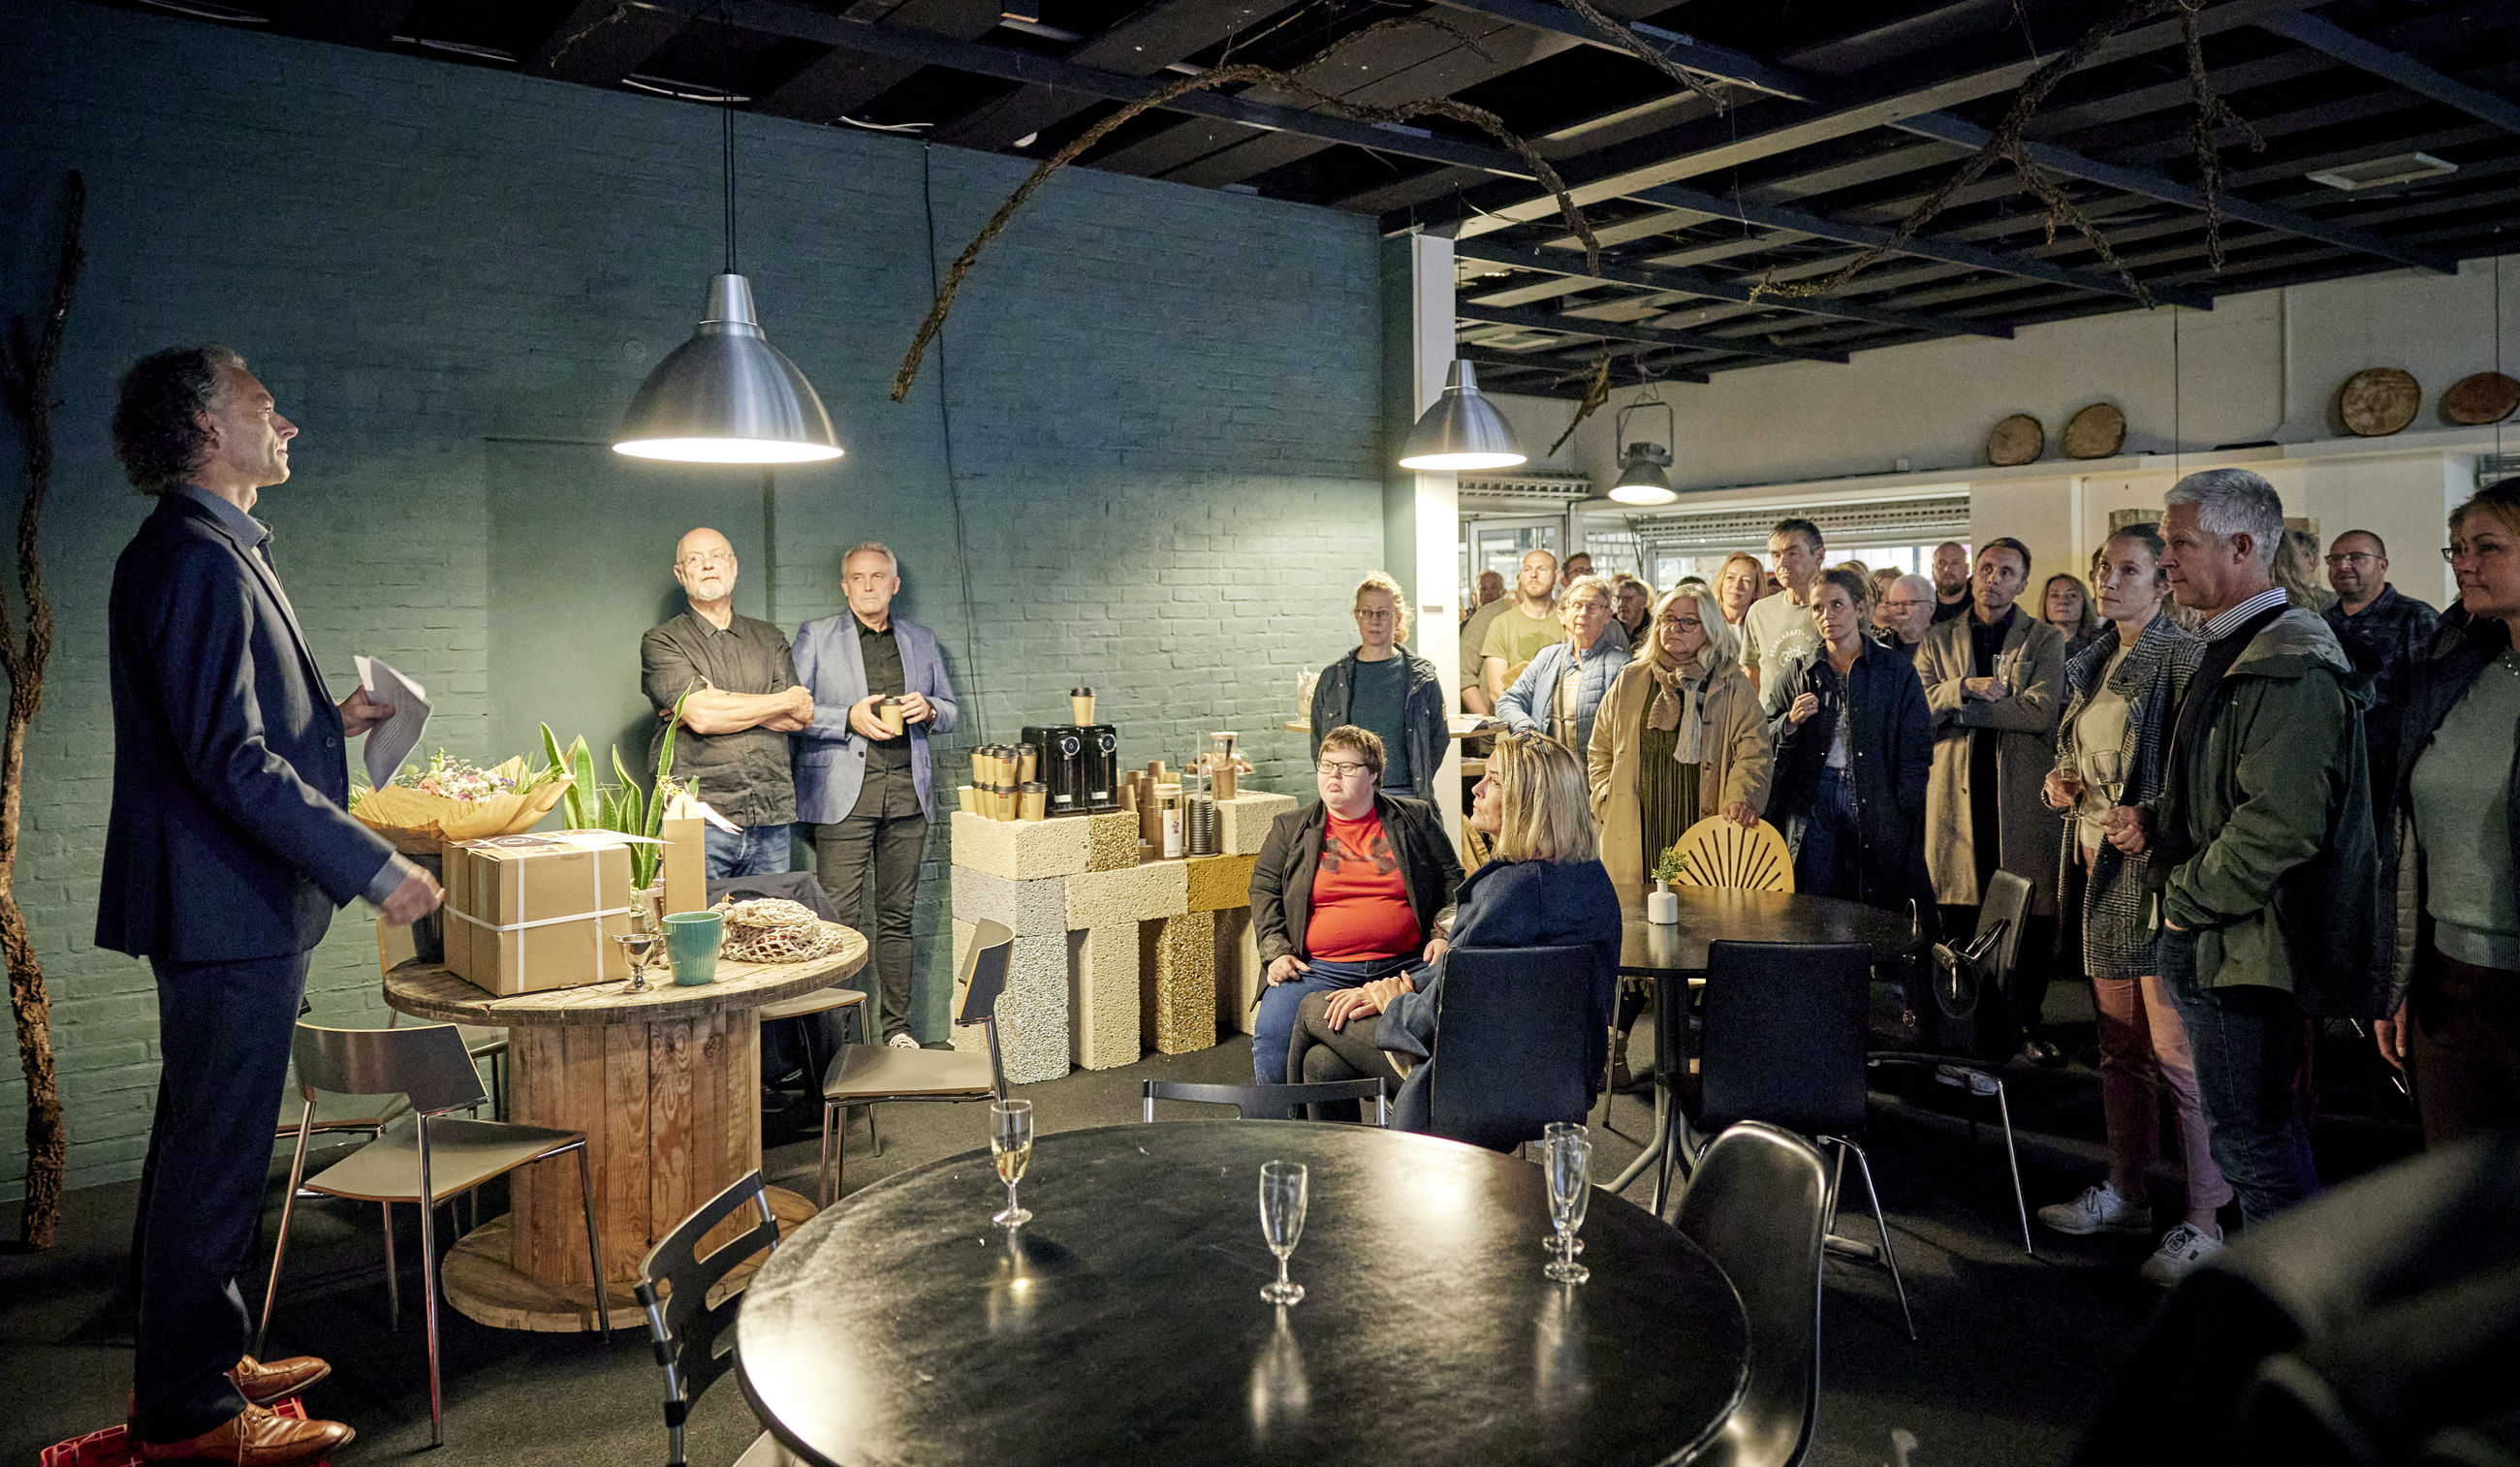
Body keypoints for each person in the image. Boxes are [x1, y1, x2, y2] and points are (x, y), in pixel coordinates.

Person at [102, 346, 445, 1464]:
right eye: (264, 404)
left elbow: (224, 732)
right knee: (213, 1154)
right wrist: (374, 865)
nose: (286, 421)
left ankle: (198, 1359)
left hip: (225, 903)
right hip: (226, 907)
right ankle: (192, 1415)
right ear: (207, 427)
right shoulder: (196, 558)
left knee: (202, 1144)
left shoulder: (209, 548)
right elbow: (229, 760)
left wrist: (328, 723)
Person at [2110, 468, 2379, 1228]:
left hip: (2241, 942)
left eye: (2179, 543)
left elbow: (2279, 826)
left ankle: (2288, 1292)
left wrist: (2183, 902)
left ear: (2241, 546)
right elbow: (2224, 786)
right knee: (2250, 1138)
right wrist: (2160, 819)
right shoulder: (2235, 643)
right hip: (2222, 933)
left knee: (2256, 1145)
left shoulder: (2287, 659)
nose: (2166, 559)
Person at [2034, 524, 2231, 1285]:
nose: (2109, 582)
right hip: (2099, 868)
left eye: (2128, 570)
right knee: (2119, 1048)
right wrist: (2061, 783)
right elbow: (2080, 752)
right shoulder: (2098, 657)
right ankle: (2128, 1191)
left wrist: (2154, 816)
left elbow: (2201, 771)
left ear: (2162, 580)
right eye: (2103, 569)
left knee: (2179, 1056)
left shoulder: (2181, 656)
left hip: (2153, 876)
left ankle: (2207, 1217)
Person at [1287, 733, 1622, 1133]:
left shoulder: (1508, 891)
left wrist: (1393, 1003)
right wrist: (1402, 985)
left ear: (1529, 801)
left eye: (1494, 781)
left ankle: (1287, 1147)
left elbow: (1446, 1013)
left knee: (1313, 1009)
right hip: (1559, 1074)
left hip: (1471, 1076)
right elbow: (1471, 975)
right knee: (1322, 1065)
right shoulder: (1590, 877)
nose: (1476, 789)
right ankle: (1337, 1166)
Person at [2375, 480, 2520, 1144]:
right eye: (2457, 548)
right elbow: (2412, 837)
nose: (2464, 563)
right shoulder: (2459, 667)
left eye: (2487, 547)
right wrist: (2401, 977)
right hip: (2449, 982)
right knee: (2458, 1190)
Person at [792, 543, 959, 1047]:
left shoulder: (921, 640)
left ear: (894, 585)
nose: (868, 586)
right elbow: (794, 712)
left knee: (897, 920)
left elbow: (952, 710)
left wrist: (930, 709)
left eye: (878, 577)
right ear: (845, 586)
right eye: (858, 578)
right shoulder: (817, 635)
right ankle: (835, 1041)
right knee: (836, 923)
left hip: (909, 797)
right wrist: (848, 717)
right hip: (844, 799)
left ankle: (897, 1031)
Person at [1921, 538, 2068, 1063]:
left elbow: (2039, 712)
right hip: (1954, 796)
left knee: (2024, 918)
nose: (1993, 579)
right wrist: (1963, 685)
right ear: (1972, 574)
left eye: (2007, 572)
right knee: (1958, 915)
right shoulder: (1937, 638)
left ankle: (2023, 1024)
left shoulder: (2045, 638)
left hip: (2019, 798)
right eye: (1986, 568)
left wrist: (1959, 709)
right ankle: (1962, 1027)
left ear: (2023, 582)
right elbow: (1919, 706)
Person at [1247, 726, 1462, 1086]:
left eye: (1346, 767)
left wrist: (1442, 933)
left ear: (1374, 774)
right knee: (1272, 1038)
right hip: (1316, 968)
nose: (1333, 775)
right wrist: (1276, 951)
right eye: (1326, 765)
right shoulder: (1291, 829)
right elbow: (1263, 890)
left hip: (1405, 964)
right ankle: (1282, 1122)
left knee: (1452, 1022)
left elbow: (1453, 880)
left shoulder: (1415, 819)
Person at [643, 528, 815, 876]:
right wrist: (781, 699)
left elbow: (799, 715)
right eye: (695, 559)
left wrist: (719, 699)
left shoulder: (769, 637)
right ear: (681, 574)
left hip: (771, 815)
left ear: (733, 566)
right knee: (698, 913)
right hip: (701, 819)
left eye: (717, 556)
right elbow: (704, 715)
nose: (708, 565)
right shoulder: (663, 641)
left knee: (771, 914)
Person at [1589, 585, 1770, 912]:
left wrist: (1741, 795)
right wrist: (1606, 799)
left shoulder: (1730, 682)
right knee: (1636, 916)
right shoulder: (1632, 678)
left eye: (1689, 622)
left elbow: (1753, 748)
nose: (1675, 628)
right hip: (1639, 824)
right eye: (1668, 619)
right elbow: (1600, 747)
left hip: (1701, 820)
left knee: (1701, 914)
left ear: (1710, 629)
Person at [1766, 568, 1935, 911]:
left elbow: (1916, 746)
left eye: (1837, 604)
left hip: (1876, 791)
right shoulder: (1799, 671)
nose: (1826, 615)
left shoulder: (1894, 669)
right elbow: (1763, 733)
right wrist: (1790, 722)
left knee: (1874, 897)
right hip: (1816, 793)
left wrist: (1901, 804)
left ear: (1859, 608)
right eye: (1817, 608)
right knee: (1816, 900)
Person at [2324, 529, 2441, 827]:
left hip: (2389, 771)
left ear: (2382, 564)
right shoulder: (2322, 622)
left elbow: (2432, 698)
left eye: (2356, 557)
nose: (2343, 565)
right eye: (2334, 559)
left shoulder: (2415, 617)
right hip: (2330, 765)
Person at [1309, 572, 1448, 804]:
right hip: (1351, 795)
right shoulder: (1333, 678)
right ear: (1357, 616)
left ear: (1398, 618)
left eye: (1383, 613)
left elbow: (1438, 739)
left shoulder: (1421, 677)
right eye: (1367, 612)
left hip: (1407, 795)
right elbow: (1320, 743)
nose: (1374, 620)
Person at [1496, 575, 1630, 756]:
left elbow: (1627, 730)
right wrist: (1527, 731)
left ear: (1607, 616)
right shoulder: (1547, 657)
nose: (1583, 613)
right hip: (1548, 766)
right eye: (1577, 605)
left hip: (1595, 769)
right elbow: (1508, 701)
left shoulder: (1621, 665)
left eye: (1592, 606)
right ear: (1564, 614)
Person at [1742, 517, 1827, 701]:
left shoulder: (1836, 610)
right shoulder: (1759, 612)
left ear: (1819, 556)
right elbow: (1752, 675)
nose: (1782, 563)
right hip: (1772, 716)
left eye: (1792, 553)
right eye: (1775, 555)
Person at [1481, 547, 1564, 706]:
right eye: (1527, 569)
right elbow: (1497, 692)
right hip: (1515, 719)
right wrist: (1524, 720)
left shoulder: (1569, 621)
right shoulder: (1502, 624)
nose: (1533, 575)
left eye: (1542, 569)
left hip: (1558, 719)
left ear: (1557, 576)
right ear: (1520, 576)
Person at [1460, 571, 1515, 717]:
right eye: (1483, 588)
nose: (1488, 593)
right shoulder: (1475, 622)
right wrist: (1486, 719)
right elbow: (1465, 674)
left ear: (1503, 591)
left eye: (1494, 587)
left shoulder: (1509, 617)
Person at [2043, 572, 2111, 664]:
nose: (2062, 601)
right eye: (2054, 596)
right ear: (2045, 603)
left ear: (2084, 603)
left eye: (2072, 595)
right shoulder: (2034, 643)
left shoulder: (2101, 642)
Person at [1873, 573, 1937, 665]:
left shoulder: (1949, 647)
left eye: (1908, 603)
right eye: (1895, 604)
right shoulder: (1878, 651)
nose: (1900, 610)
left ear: (1931, 608)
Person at [1716, 551, 1765, 641]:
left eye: (1746, 580)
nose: (1736, 585)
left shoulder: (1762, 629)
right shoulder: (1705, 624)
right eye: (1730, 577)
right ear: (1721, 583)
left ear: (1756, 590)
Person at [1932, 540, 1974, 623]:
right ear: (1933, 569)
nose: (1947, 569)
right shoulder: (1925, 607)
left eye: (1955, 563)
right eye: (1941, 563)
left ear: (1967, 568)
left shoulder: (1980, 605)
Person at [1611, 573, 1654, 649]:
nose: (1621, 604)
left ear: (1643, 602)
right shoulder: (1608, 625)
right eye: (1618, 598)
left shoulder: (1654, 627)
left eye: (1628, 598)